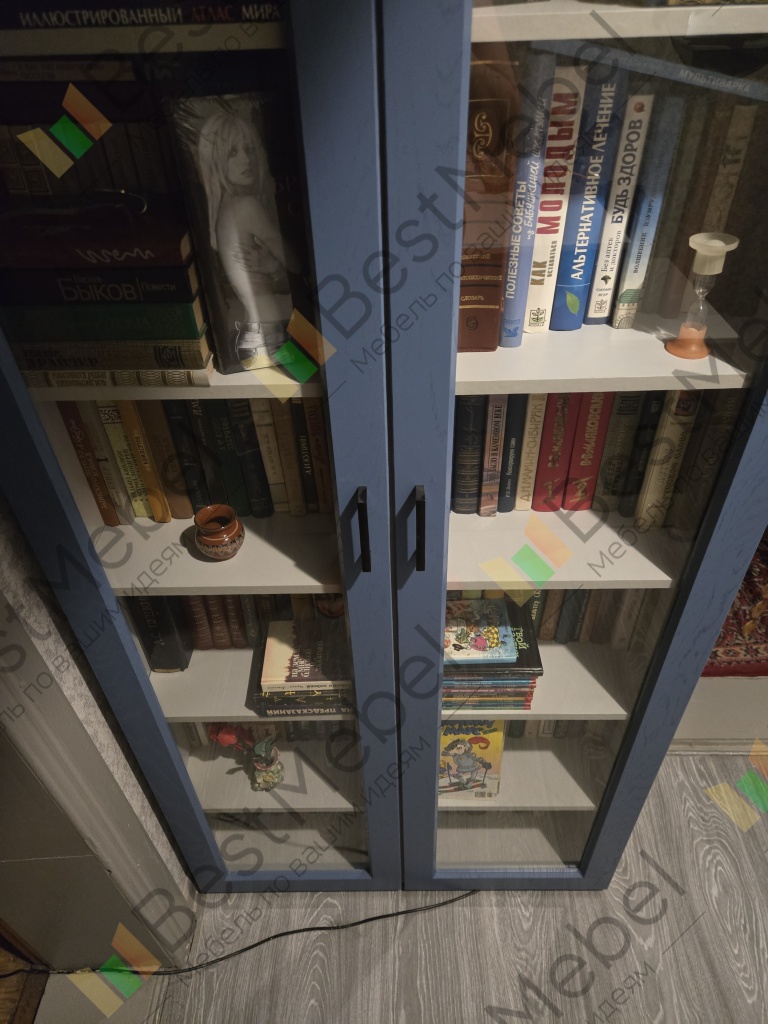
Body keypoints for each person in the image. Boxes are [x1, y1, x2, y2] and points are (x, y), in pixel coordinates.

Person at [197, 110, 298, 368]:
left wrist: (272, 268)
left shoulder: (224, 210)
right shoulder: (246, 206)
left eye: (249, 149)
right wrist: (275, 266)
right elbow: (297, 264)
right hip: (270, 336)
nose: (246, 159)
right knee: (327, 378)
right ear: (216, 160)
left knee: (316, 378)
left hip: (258, 332)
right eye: (232, 152)